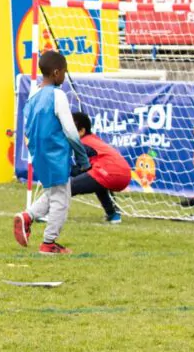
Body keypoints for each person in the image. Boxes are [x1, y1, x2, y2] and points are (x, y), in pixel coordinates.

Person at [13, 50, 90, 255]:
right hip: (55, 153)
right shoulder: (58, 95)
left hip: (38, 154)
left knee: (53, 193)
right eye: (64, 72)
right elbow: (70, 130)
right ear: (56, 73)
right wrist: (82, 157)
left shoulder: (34, 95)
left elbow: (27, 127)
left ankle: (27, 217)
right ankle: (49, 243)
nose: (65, 77)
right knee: (61, 201)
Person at [71, 111, 130, 224]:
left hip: (110, 173)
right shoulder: (94, 139)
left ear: (82, 131)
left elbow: (80, 170)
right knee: (97, 182)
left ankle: (43, 213)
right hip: (125, 174)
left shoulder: (82, 144)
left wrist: (63, 169)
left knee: (67, 187)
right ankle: (113, 214)